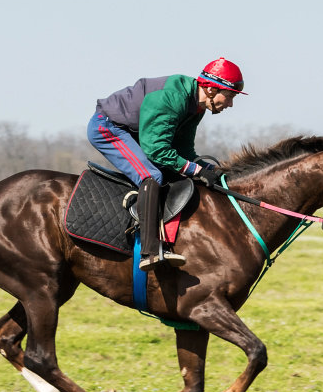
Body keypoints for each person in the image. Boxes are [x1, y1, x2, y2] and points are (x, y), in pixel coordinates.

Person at [88, 58, 246, 270]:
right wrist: (195, 169)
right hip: (107, 128)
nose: (230, 104)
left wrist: (209, 171)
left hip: (135, 133)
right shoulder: (173, 98)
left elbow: (184, 151)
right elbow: (156, 149)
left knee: (179, 174)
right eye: (229, 96)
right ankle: (149, 251)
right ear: (210, 89)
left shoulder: (196, 107)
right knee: (152, 176)